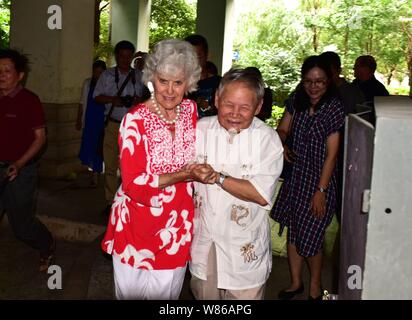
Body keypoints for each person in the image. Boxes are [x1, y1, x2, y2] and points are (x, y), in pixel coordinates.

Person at [101, 39, 207, 300]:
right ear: (151, 78)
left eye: (178, 82)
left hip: (176, 225)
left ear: (189, 83)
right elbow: (133, 183)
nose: (170, 90)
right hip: (137, 224)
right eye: (163, 81)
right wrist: (184, 174)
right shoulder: (134, 120)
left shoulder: (191, 111)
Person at [189, 68, 284, 300]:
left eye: (245, 107)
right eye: (229, 104)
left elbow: (261, 194)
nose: (235, 113)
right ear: (216, 100)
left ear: (258, 107)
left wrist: (217, 177)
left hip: (244, 247)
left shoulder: (267, 139)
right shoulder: (200, 130)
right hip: (206, 242)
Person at [270, 55, 345, 300]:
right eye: (308, 81)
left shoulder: (334, 107)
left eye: (320, 82)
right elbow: (282, 129)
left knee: (311, 236)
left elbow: (332, 155)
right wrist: (282, 145)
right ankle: (295, 282)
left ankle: (315, 285)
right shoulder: (297, 100)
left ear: (329, 81)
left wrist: (321, 191)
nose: (313, 87)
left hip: (320, 180)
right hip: (297, 177)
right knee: (294, 231)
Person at [0, 49, 55, 272]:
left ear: (20, 75)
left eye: (7, 71)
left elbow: (40, 139)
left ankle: (47, 244)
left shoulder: (29, 101)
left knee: (21, 227)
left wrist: (20, 163)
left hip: (21, 172)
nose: (1, 75)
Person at [94, 41, 144, 215]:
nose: (124, 59)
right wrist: (112, 99)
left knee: (129, 166)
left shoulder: (138, 75)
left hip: (132, 128)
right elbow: (96, 97)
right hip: (113, 124)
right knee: (109, 165)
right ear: (116, 56)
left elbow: (148, 98)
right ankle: (110, 201)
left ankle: (127, 199)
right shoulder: (107, 75)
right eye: (121, 56)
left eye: (128, 56)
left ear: (131, 57)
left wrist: (138, 101)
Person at [76, 60, 107, 187]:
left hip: (101, 121)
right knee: (89, 147)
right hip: (89, 120)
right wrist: (79, 119)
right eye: (96, 72)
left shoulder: (107, 85)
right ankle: (92, 173)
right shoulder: (87, 83)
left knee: (98, 148)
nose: (98, 75)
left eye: (101, 72)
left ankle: (96, 174)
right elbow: (82, 102)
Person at [185, 34, 221, 118]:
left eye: (198, 57)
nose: (193, 62)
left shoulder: (219, 83)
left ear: (207, 56)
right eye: (189, 58)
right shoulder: (177, 85)